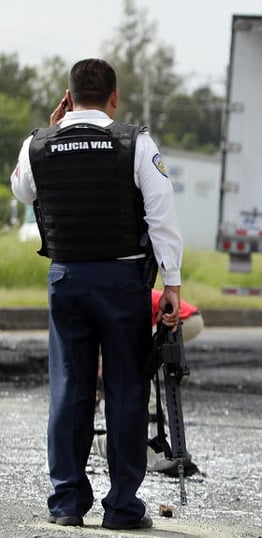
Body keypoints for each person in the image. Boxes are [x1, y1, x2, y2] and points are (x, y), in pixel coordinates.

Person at [10, 59, 183, 530]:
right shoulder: (134, 142)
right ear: (114, 96)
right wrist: (171, 282)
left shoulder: (38, 144)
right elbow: (161, 214)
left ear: (68, 96)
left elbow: (22, 192)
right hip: (123, 282)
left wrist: (50, 132)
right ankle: (123, 508)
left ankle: (67, 503)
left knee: (69, 389)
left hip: (66, 280)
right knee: (127, 389)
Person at [92, 290, 203, 477]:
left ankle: (150, 407)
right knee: (141, 356)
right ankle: (150, 406)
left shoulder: (119, 297)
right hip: (192, 316)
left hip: (186, 318)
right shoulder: (130, 287)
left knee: (140, 354)